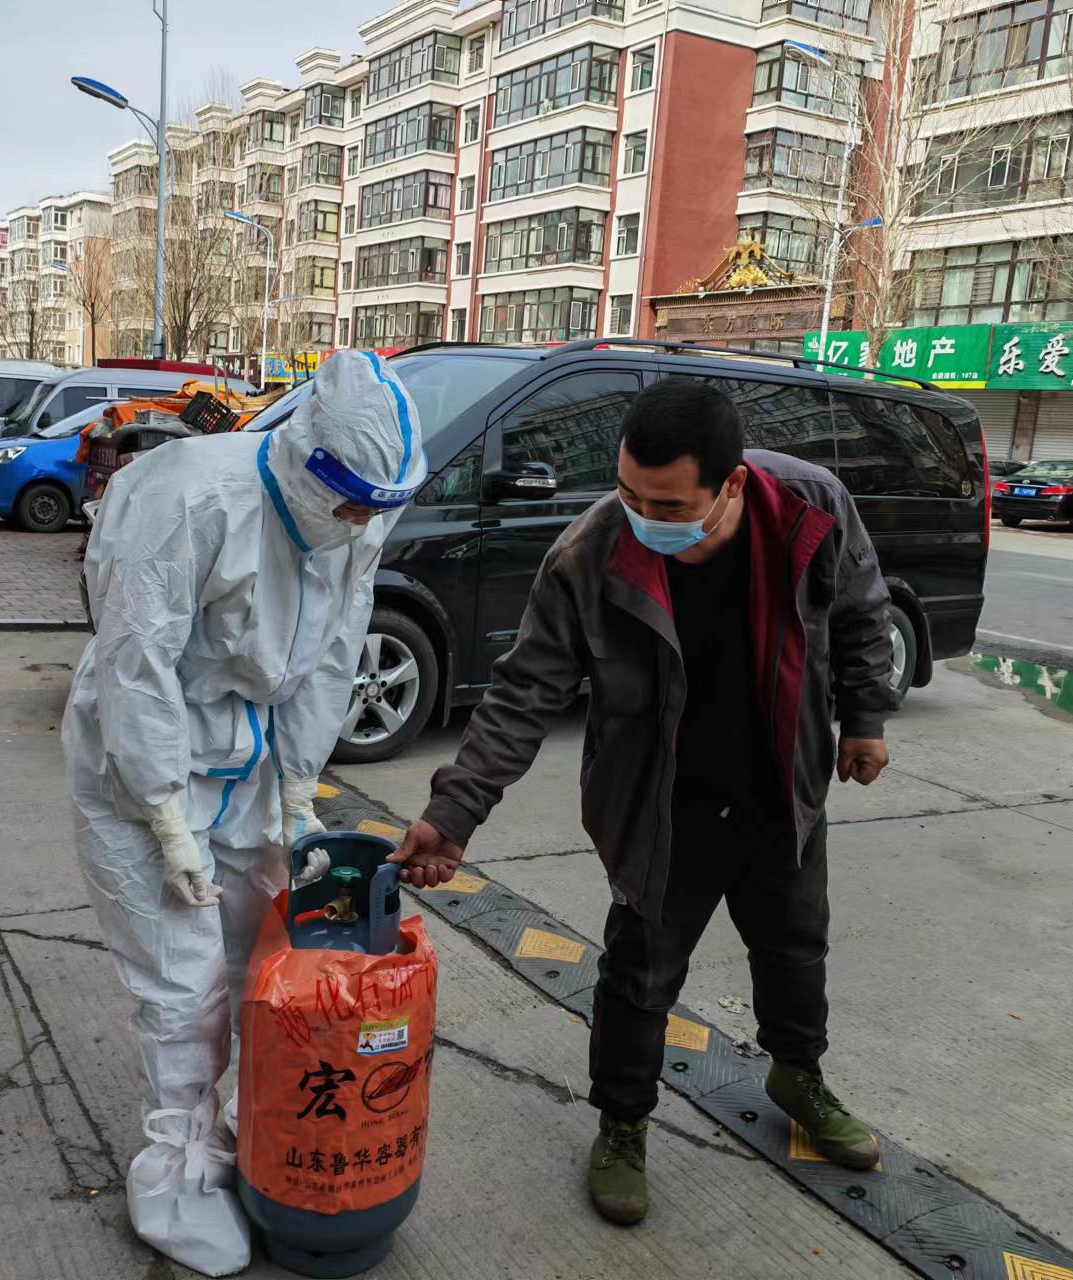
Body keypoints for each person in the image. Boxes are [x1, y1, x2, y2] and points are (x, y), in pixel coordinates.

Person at [388, 378, 894, 1227]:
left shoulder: (810, 507)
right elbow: (524, 692)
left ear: (732, 485)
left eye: (666, 504)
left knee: (796, 947)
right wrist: (453, 815)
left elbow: (861, 610)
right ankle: (622, 1123)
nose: (641, 516)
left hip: (783, 787)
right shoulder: (590, 554)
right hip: (663, 805)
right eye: (627, 492)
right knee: (639, 976)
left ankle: (797, 1076)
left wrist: (865, 718)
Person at [62, 351, 426, 1277]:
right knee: (183, 985)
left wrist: (299, 788)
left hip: (251, 765)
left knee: (258, 964)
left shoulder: (353, 519)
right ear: (307, 458)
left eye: (376, 508)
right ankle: (179, 1175)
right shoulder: (190, 497)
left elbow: (335, 652)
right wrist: (163, 813)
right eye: (352, 503)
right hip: (145, 759)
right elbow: (137, 661)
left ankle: (251, 1136)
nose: (362, 523)